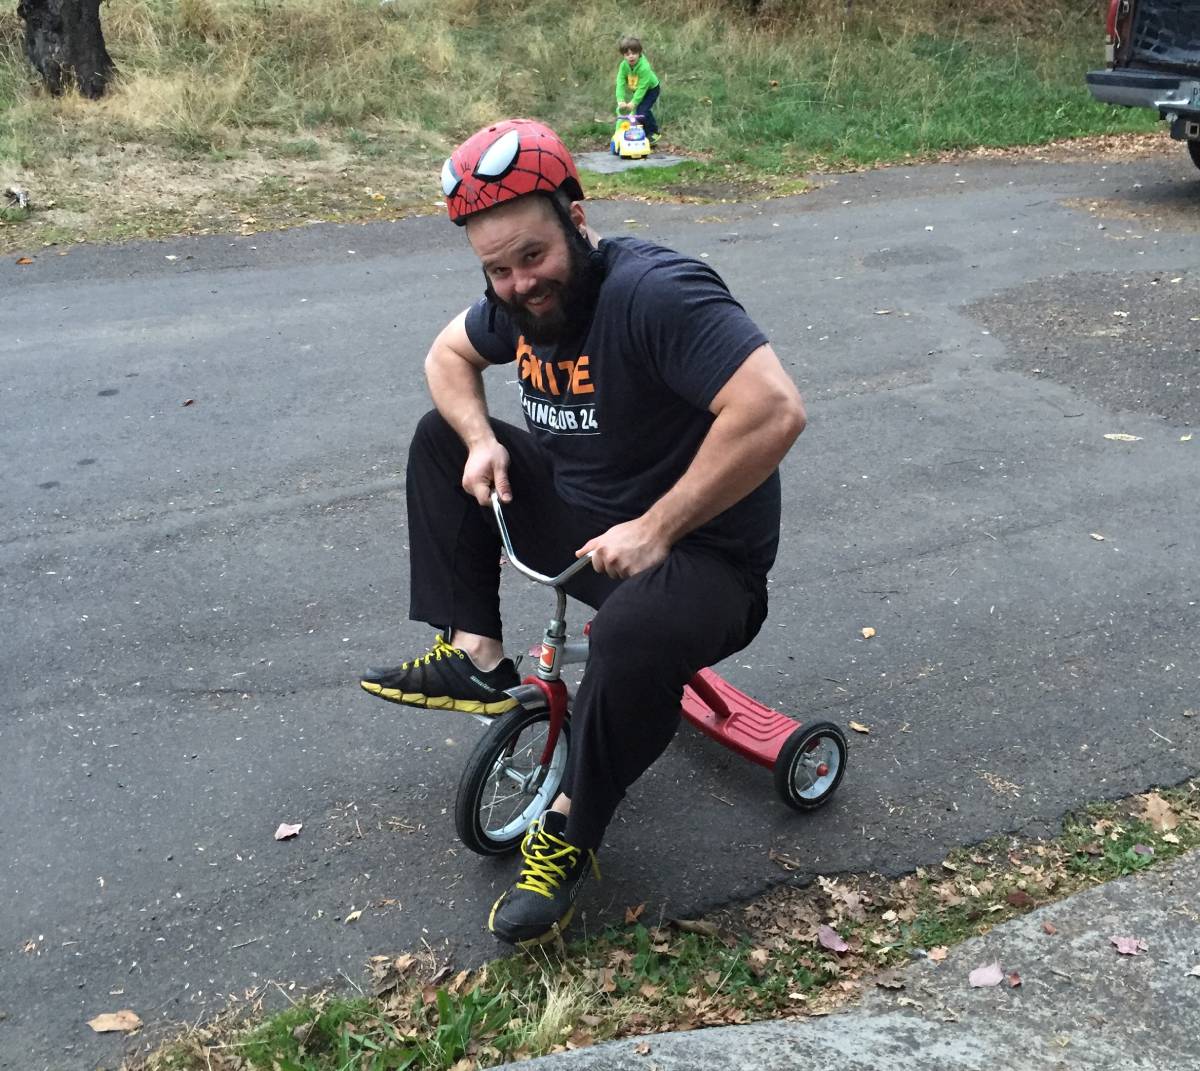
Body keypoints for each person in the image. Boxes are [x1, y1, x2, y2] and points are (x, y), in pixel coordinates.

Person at [360, 118, 805, 947]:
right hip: (589, 531)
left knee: (627, 635)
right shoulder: (519, 301)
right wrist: (484, 440)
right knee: (441, 434)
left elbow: (775, 409)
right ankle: (477, 655)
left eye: (533, 256)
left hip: (706, 563)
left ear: (576, 213)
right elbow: (446, 360)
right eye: (497, 269)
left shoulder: (654, 293)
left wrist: (660, 524)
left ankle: (571, 828)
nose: (521, 283)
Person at [615, 35, 661, 144]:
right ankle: (641, 134)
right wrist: (620, 99)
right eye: (627, 54)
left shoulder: (644, 67)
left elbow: (642, 88)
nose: (631, 57)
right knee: (635, 112)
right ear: (623, 55)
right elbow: (620, 84)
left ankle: (654, 133)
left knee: (642, 111)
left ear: (639, 53)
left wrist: (633, 102)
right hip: (638, 90)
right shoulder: (623, 66)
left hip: (651, 90)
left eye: (634, 53)